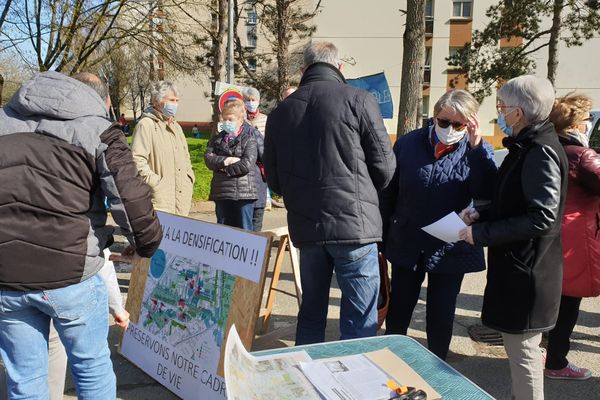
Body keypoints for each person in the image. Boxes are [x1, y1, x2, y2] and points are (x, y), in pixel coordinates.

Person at [0, 71, 162, 399]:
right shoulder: (99, 128)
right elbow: (130, 199)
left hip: (7, 275)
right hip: (71, 273)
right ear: (104, 100)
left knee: (24, 378)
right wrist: (144, 245)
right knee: (91, 366)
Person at [264, 41, 396, 345]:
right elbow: (386, 166)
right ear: (339, 67)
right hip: (355, 227)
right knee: (359, 318)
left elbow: (274, 179)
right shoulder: (359, 100)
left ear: (304, 69)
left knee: (311, 313)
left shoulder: (281, 112)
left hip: (308, 227)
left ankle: (308, 380)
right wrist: (362, 192)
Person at [459, 75, 568, 400]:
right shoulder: (527, 147)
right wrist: (484, 215)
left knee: (524, 355)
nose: (500, 114)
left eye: (502, 107)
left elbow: (542, 217)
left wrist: (481, 233)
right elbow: (515, 201)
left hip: (530, 273)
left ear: (518, 113)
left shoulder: (539, 152)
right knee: (520, 351)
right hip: (522, 268)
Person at [379, 90, 497, 360]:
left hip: (451, 242)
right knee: (399, 309)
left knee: (441, 313)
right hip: (408, 239)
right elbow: (388, 193)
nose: (450, 129)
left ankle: (438, 369)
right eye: (444, 122)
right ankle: (390, 362)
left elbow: (487, 192)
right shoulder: (408, 144)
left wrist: (477, 146)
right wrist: (382, 238)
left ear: (470, 124)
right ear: (433, 117)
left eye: (459, 125)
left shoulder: (478, 149)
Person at [543, 94, 600, 380]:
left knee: (553, 300)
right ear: (578, 124)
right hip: (576, 240)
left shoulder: (548, 147)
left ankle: (547, 353)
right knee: (569, 303)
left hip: (549, 236)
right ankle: (556, 362)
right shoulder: (583, 155)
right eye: (588, 119)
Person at [131, 80, 195, 216]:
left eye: (177, 100)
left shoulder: (176, 127)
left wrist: (189, 178)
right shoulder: (146, 125)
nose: (175, 104)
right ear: (156, 101)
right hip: (160, 198)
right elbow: (137, 160)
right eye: (171, 100)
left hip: (182, 196)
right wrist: (156, 183)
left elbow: (186, 156)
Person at [205, 98, 260, 230]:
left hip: (244, 193)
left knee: (245, 231)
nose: (226, 122)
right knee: (223, 232)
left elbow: (247, 164)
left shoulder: (249, 140)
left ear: (240, 120)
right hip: (222, 192)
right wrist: (227, 161)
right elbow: (208, 159)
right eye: (224, 119)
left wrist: (224, 170)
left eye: (230, 119)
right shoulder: (216, 139)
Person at [241, 87, 269, 230]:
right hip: (245, 169)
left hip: (260, 168)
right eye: (248, 100)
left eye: (253, 100)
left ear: (258, 101)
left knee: (258, 213)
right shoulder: (240, 119)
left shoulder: (265, 119)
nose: (251, 103)